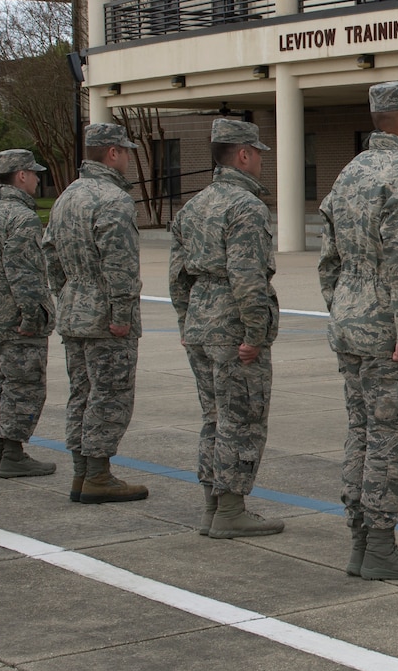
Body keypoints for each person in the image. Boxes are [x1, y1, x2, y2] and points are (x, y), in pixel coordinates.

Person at [318, 81, 398, 581]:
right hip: (390, 328)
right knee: (392, 438)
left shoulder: (350, 172)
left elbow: (329, 260)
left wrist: (344, 308)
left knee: (362, 434)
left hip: (351, 322)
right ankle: (381, 547)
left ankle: (360, 543)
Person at [170, 118, 282, 540]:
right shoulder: (246, 206)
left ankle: (212, 507)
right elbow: (248, 278)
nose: (259, 165)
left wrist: (186, 323)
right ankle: (231, 509)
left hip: (201, 320)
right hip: (232, 325)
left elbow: (177, 276)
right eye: (257, 156)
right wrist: (255, 335)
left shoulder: (194, 205)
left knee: (214, 418)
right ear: (244, 154)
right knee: (242, 418)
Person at [44, 122, 148, 504]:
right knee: (110, 395)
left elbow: (50, 255)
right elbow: (121, 266)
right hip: (106, 317)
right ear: (113, 153)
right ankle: (99, 475)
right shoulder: (113, 199)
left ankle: (82, 473)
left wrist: (68, 294)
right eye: (126, 152)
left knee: (82, 394)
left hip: (75, 310)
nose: (128, 160)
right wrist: (121, 313)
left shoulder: (67, 196)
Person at [0, 149, 55, 478]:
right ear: (21, 175)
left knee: (0, 384)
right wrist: (32, 317)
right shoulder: (22, 217)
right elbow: (25, 274)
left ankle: (0, 451)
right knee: (24, 385)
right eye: (33, 173)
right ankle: (13, 452)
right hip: (18, 322)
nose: (36, 179)